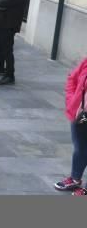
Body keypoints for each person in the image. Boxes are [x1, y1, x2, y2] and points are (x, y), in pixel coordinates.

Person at [54, 55, 87, 195]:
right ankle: (75, 179)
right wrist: (71, 101)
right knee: (80, 147)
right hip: (80, 115)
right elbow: (71, 79)